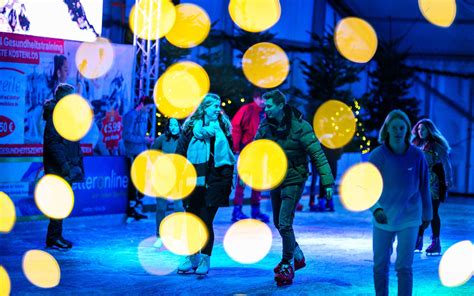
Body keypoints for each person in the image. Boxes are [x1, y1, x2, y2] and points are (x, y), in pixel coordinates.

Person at [255, 90, 334, 286]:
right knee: (277, 221)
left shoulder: (300, 126)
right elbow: (255, 151)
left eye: (270, 106)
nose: (266, 109)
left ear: (280, 105)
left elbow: (317, 153)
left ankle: (287, 263)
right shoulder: (265, 125)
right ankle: (296, 254)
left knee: (284, 222)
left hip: (295, 178)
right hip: (276, 178)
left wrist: (327, 182)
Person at [369, 110, 432, 296]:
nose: (398, 131)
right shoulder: (377, 156)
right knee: (380, 265)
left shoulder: (417, 156)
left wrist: (427, 213)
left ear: (407, 130)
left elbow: (424, 186)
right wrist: (376, 209)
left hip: (409, 218)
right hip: (383, 218)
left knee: (404, 266)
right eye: (394, 127)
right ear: (387, 129)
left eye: (401, 127)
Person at [175, 93, 235, 276]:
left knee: (206, 222)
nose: (217, 109)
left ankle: (204, 259)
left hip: (215, 183)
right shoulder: (190, 129)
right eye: (213, 106)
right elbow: (180, 156)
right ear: (204, 108)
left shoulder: (223, 129)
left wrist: (226, 183)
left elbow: (228, 160)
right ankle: (191, 256)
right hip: (192, 182)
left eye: (218, 106)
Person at [43, 83, 84, 250]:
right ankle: (53, 238)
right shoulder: (56, 115)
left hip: (65, 166)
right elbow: (54, 143)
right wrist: (65, 165)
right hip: (58, 168)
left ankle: (56, 236)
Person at [411, 118, 453, 255]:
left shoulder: (436, 146)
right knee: (419, 211)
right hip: (419, 183)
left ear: (429, 130)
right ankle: (418, 240)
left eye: (422, 129)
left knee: (433, 212)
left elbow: (446, 162)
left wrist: (448, 179)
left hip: (433, 183)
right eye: (418, 129)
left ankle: (436, 242)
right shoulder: (416, 144)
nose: (420, 131)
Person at [230, 89, 269, 223]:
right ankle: (237, 211)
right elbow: (236, 126)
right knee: (242, 181)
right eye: (261, 99)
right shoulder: (247, 110)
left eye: (265, 99)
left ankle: (255, 211)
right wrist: (236, 146)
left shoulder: (266, 113)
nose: (263, 101)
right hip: (247, 150)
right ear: (255, 98)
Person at [151, 118, 184, 248]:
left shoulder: (183, 139)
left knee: (179, 207)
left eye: (176, 124)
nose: (174, 127)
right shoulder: (162, 139)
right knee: (161, 207)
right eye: (171, 125)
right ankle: (160, 236)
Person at [123, 96, 154, 221]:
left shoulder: (145, 116)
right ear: (141, 104)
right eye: (147, 108)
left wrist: (147, 141)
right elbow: (127, 136)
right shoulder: (131, 116)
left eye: (150, 109)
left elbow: (141, 134)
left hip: (142, 151)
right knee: (134, 181)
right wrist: (143, 139)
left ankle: (136, 205)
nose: (148, 111)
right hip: (132, 152)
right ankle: (131, 209)